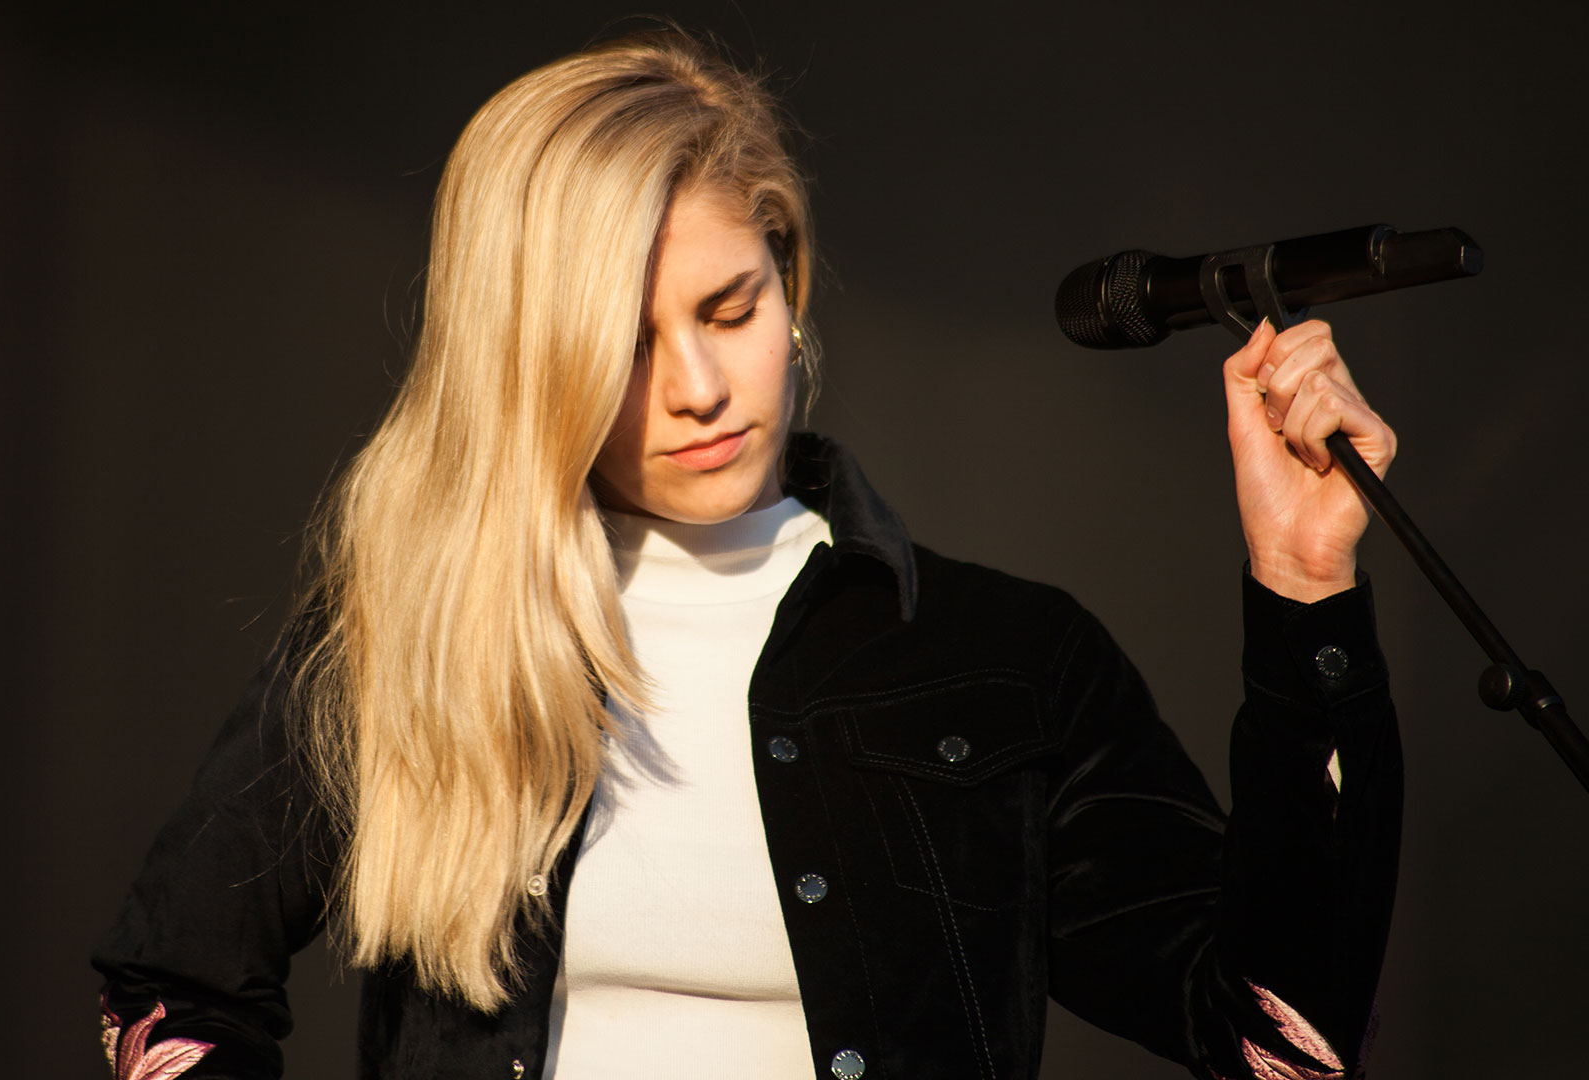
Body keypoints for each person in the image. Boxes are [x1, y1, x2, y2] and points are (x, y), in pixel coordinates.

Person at [93, 28, 1402, 1080]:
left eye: (732, 307)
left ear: (790, 274)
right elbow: (175, 990)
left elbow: (1280, 1031)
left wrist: (1306, 597)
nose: (700, 386)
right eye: (625, 343)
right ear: (527, 364)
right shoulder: (418, 634)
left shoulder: (1006, 658)